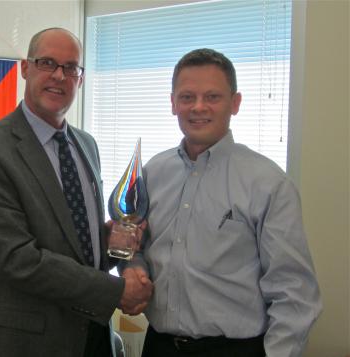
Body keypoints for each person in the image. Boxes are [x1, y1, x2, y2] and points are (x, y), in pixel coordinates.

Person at [0, 27, 152, 357]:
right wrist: (117, 291)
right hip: (25, 343)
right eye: (47, 63)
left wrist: (107, 239)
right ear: (25, 68)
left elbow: (73, 240)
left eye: (70, 67)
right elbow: (18, 259)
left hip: (92, 336)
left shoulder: (86, 145)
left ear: (81, 78)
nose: (59, 76)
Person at [123, 48, 322, 357]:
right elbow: (135, 246)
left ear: (235, 103)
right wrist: (133, 268)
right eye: (187, 97)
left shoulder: (268, 183)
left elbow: (294, 293)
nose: (198, 107)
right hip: (159, 346)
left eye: (212, 97)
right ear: (173, 103)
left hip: (234, 349)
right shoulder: (152, 174)